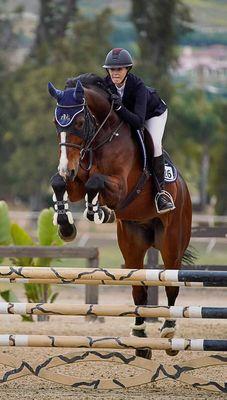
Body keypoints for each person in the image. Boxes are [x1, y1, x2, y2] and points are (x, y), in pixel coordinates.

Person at [102, 47, 175, 214]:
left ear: (127, 69)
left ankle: (160, 193)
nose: (115, 73)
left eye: (119, 69)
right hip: (130, 115)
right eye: (111, 69)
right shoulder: (106, 84)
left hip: (153, 114)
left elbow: (138, 122)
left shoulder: (138, 86)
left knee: (154, 144)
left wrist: (119, 108)